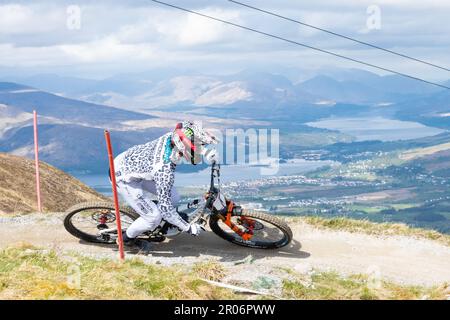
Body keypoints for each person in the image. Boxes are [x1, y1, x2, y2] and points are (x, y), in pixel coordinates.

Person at [113, 121, 218, 251]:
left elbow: (187, 138)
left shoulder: (172, 137)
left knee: (173, 197)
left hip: (129, 165)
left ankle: (150, 213)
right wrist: (188, 228)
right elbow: (166, 209)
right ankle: (126, 240)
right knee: (154, 217)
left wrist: (206, 153)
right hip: (123, 178)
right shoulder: (164, 170)